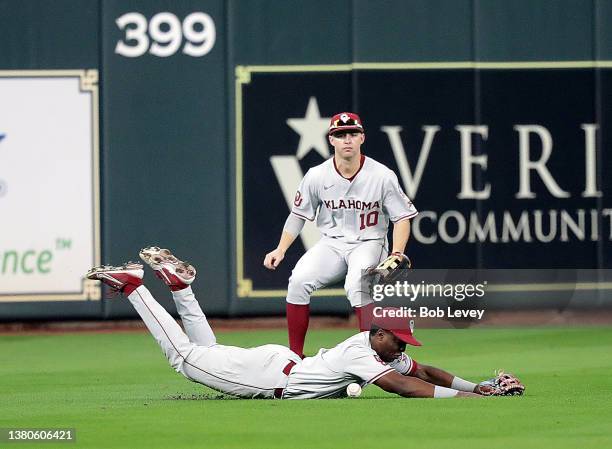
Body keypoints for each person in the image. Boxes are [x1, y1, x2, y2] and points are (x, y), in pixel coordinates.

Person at [87, 247, 493, 400]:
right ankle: (134, 288)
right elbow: (403, 386)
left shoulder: (379, 349)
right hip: (271, 377)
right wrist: (471, 402)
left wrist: (476, 386)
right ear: (379, 332)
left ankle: (180, 289)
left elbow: (421, 372)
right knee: (187, 359)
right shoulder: (361, 349)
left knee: (205, 353)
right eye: (399, 342)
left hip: (281, 364)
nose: (402, 349)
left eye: (404, 344)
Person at [264, 112, 418, 357]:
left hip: (369, 241)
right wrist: (280, 249)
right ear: (331, 140)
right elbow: (298, 215)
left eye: (352, 134)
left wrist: (398, 252)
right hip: (332, 243)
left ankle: (371, 358)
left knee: (357, 285)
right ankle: (295, 357)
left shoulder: (382, 175)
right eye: (340, 135)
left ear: (362, 138)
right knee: (298, 282)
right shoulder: (317, 175)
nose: (347, 139)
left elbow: (402, 217)